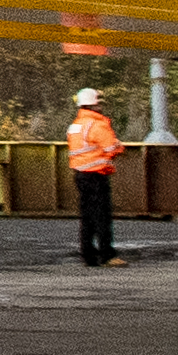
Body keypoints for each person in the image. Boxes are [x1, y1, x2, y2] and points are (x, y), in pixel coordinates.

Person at [65, 86, 123, 266]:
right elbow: (112, 149)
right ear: (95, 105)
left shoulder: (75, 126)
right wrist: (119, 146)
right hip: (96, 175)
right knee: (102, 216)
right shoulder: (97, 124)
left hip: (80, 175)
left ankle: (88, 255)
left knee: (87, 216)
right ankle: (107, 255)